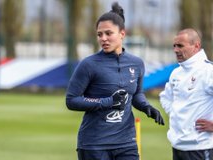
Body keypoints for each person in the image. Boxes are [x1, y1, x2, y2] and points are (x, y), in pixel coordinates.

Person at [66, 2, 164, 160]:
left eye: (108, 33)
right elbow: (71, 100)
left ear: (122, 34)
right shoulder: (88, 64)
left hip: (126, 143)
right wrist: (107, 102)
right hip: (94, 145)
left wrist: (146, 108)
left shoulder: (136, 63)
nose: (103, 38)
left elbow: (136, 94)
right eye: (99, 34)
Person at [159, 28, 213, 160]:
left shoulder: (208, 71)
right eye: (174, 46)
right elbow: (165, 97)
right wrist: (177, 115)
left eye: (180, 46)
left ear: (196, 46)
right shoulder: (176, 73)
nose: (176, 50)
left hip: (201, 148)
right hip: (178, 147)